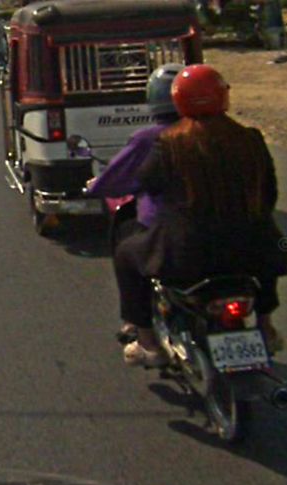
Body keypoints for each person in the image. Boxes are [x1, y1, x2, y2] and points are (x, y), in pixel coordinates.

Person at [113, 64, 287, 368]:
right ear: (224, 96)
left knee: (125, 254)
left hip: (187, 257)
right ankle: (266, 326)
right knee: (264, 244)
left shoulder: (169, 144)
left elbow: (146, 182)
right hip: (255, 252)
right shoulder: (250, 139)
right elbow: (269, 196)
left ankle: (147, 342)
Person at [86, 63, 183, 342]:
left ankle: (144, 336)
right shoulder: (229, 135)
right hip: (233, 231)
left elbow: (124, 177)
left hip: (173, 233)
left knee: (126, 254)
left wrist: (97, 185)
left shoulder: (151, 139)